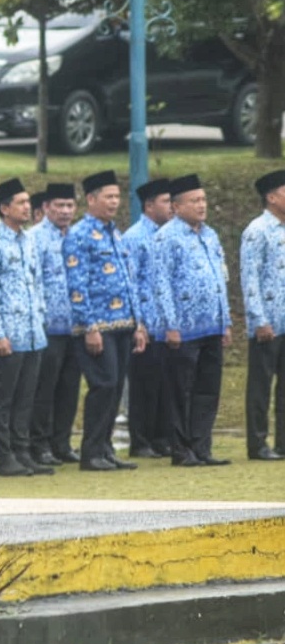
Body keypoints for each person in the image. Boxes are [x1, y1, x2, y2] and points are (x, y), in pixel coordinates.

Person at [63, 170, 147, 472]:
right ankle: (91, 452)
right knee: (103, 383)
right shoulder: (79, 235)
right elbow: (77, 284)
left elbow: (129, 279)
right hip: (97, 326)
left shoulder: (114, 232)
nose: (114, 202)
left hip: (123, 322)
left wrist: (138, 323)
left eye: (116, 196)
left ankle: (106, 447)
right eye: (108, 197)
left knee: (114, 387)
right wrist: (89, 327)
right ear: (91, 199)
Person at [152, 174, 232, 467]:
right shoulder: (166, 237)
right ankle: (181, 449)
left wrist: (226, 321)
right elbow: (160, 284)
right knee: (180, 390)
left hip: (211, 324)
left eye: (203, 199)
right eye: (194, 201)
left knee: (207, 389)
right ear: (176, 206)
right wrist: (170, 325)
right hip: (182, 329)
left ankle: (202, 446)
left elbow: (220, 277)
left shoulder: (209, 234)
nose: (202, 205)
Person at [0, 179, 50, 477]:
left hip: (33, 331)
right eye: (20, 203)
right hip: (10, 333)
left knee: (26, 398)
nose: (27, 207)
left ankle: (23, 451)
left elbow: (36, 282)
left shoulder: (30, 240)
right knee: (4, 399)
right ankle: (4, 454)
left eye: (27, 202)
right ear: (4, 208)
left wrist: (41, 317)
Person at [121, 178, 174, 459]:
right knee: (143, 387)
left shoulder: (171, 234)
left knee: (165, 385)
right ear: (149, 205)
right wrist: (138, 323)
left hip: (168, 325)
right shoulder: (134, 236)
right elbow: (131, 283)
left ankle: (162, 437)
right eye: (166, 201)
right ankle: (141, 441)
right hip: (146, 324)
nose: (171, 207)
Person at [30, 183, 82, 466]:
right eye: (59, 206)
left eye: (69, 206)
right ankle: (40, 444)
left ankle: (62, 442)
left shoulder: (78, 237)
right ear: (46, 208)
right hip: (48, 325)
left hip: (75, 325)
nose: (65, 211)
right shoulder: (35, 237)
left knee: (69, 387)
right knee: (44, 388)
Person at [242, 170, 285, 461]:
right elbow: (250, 279)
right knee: (260, 386)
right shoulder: (257, 231)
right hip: (268, 323)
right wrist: (259, 320)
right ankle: (257, 443)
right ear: (271, 197)